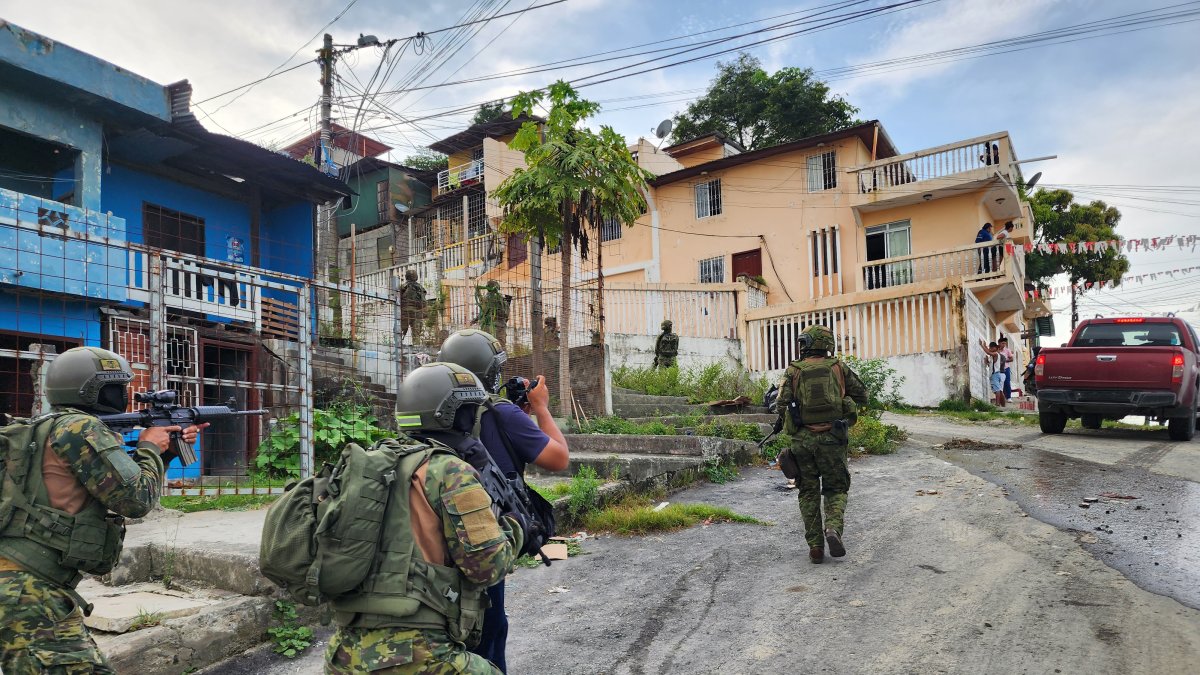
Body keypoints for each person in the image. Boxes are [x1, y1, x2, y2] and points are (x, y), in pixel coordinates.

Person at [0, 347, 205, 674]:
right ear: (91, 389)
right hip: (29, 592)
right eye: (116, 388)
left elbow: (117, 484)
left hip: (22, 584)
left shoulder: (48, 427)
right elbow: (135, 499)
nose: (123, 395)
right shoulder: (82, 429)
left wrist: (162, 452)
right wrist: (150, 446)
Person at [326, 363, 522, 675]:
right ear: (450, 415)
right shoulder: (449, 471)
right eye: (469, 411)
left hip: (343, 654)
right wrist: (515, 529)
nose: (473, 420)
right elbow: (488, 567)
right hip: (416, 654)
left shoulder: (369, 463)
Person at [437, 329, 568, 672]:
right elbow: (558, 458)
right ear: (488, 374)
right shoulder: (501, 413)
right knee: (490, 629)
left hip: (433, 537)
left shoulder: (432, 410)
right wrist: (540, 408)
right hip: (483, 536)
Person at [774, 325, 869, 564]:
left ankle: (815, 546)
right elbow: (863, 395)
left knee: (807, 492)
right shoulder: (838, 367)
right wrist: (843, 397)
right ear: (827, 345)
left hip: (802, 441)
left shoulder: (793, 370)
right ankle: (833, 530)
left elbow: (781, 404)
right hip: (832, 440)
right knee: (836, 489)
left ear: (807, 344)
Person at [399, 269, 426, 344]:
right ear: (416, 276)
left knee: (400, 332)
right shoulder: (420, 287)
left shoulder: (403, 286)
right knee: (416, 334)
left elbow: (398, 298)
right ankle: (416, 349)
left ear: (406, 277)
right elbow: (424, 301)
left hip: (405, 312)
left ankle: (398, 347)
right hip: (417, 313)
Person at [980, 339, 1008, 407]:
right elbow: (991, 365)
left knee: (997, 390)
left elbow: (988, 352)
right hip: (996, 374)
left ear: (995, 348)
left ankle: (997, 404)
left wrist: (982, 345)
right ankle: (1001, 405)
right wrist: (987, 361)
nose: (990, 349)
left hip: (995, 374)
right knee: (998, 390)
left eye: (991, 348)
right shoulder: (994, 356)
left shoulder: (995, 354)